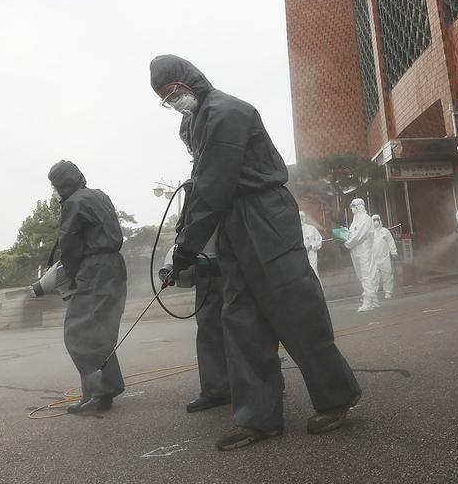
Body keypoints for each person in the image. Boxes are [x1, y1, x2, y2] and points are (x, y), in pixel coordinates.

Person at [151, 54, 360, 451]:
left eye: (173, 90)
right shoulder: (196, 120)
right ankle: (257, 418)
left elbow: (213, 187)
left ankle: (337, 397)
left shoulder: (227, 111)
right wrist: (187, 242)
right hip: (233, 222)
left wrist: (185, 250)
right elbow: (205, 187)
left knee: (296, 310)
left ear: (189, 79)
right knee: (240, 320)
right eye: (165, 98)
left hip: (264, 216)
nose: (173, 99)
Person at [49, 160, 127, 414]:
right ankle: (98, 393)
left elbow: (69, 243)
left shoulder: (74, 202)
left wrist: (69, 277)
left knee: (79, 331)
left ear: (63, 183)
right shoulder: (99, 195)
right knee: (101, 330)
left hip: (94, 268)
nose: (55, 191)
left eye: (55, 185)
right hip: (115, 265)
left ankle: (102, 392)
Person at [161, 238, 231, 414]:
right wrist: (173, 262)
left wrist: (181, 255)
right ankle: (218, 389)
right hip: (206, 266)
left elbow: (197, 225)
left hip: (235, 259)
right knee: (209, 326)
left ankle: (263, 383)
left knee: (247, 324)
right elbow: (187, 229)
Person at [343, 199, 377, 312]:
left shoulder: (366, 219)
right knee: (362, 276)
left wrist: (347, 243)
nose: (351, 209)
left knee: (366, 275)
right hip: (356, 251)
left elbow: (359, 236)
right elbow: (352, 234)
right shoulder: (355, 220)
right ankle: (373, 301)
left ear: (358, 206)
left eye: (353, 206)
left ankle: (368, 302)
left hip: (364, 251)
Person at [368, 215, 397, 300]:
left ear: (380, 220)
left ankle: (388, 292)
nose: (376, 222)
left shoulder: (385, 231)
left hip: (385, 257)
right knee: (374, 276)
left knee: (387, 274)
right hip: (373, 259)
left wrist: (394, 252)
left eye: (377, 220)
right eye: (374, 220)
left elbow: (391, 241)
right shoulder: (370, 233)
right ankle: (373, 293)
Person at [300, 212, 323, 282]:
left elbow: (319, 240)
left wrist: (311, 246)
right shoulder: (294, 231)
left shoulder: (311, 228)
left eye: (301, 218)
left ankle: (318, 292)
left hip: (311, 255)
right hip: (300, 256)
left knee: (314, 273)